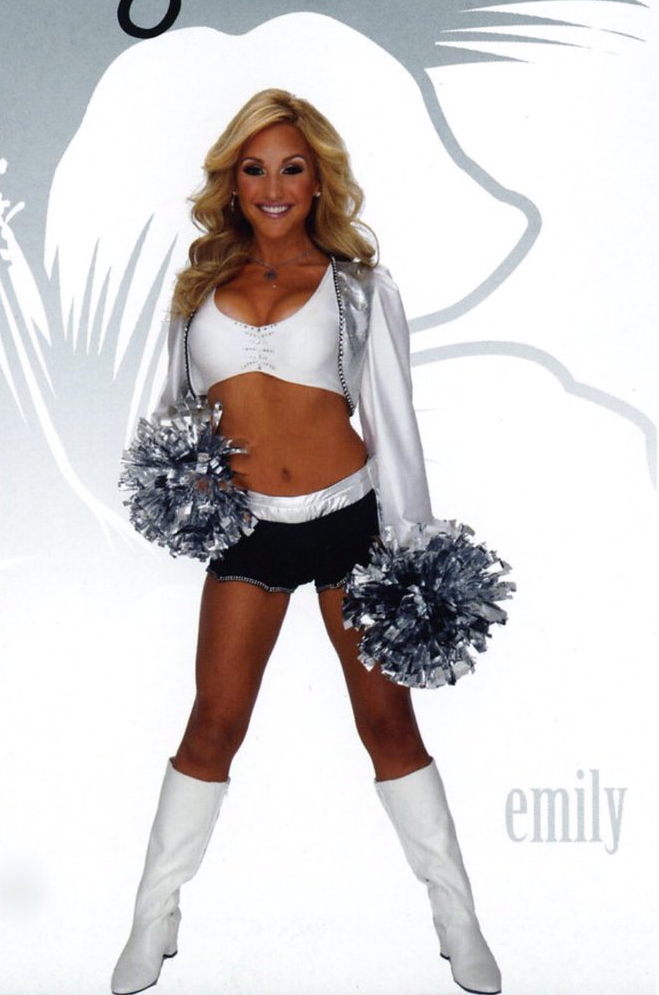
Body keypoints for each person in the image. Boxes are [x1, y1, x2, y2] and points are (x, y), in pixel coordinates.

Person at [111, 89, 501, 995]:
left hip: (348, 527)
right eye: (254, 169)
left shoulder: (360, 288)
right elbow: (168, 418)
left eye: (292, 167)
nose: (274, 187)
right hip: (249, 533)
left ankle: (458, 919)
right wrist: (184, 495)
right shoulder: (197, 291)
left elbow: (395, 426)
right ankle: (152, 919)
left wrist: (412, 559)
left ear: (319, 178)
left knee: (388, 724)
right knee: (213, 724)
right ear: (232, 183)